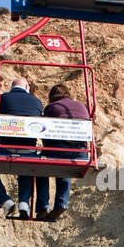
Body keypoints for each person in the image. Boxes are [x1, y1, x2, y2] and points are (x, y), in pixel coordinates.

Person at [0, 77, 48, 219]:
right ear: (27, 87)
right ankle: (24, 203)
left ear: (12, 87)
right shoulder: (37, 102)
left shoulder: (1, 99)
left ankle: (5, 201)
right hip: (28, 149)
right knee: (27, 164)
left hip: (6, 148)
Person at [38, 84, 92, 221]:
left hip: (60, 150)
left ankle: (42, 207)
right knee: (65, 168)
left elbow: (47, 131)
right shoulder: (82, 107)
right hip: (81, 153)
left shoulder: (52, 108)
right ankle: (61, 202)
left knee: (40, 166)